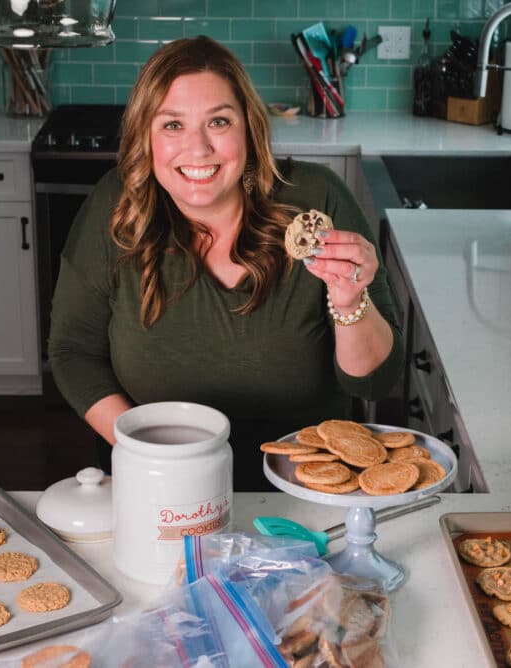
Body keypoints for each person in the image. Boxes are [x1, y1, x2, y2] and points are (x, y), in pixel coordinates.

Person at [48, 35, 405, 491]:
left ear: (248, 129)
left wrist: (350, 298)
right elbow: (73, 353)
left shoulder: (317, 198)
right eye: (172, 125)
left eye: (218, 121)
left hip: (306, 488)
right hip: (161, 485)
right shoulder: (117, 208)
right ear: (146, 135)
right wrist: (155, 458)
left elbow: (374, 383)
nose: (198, 149)